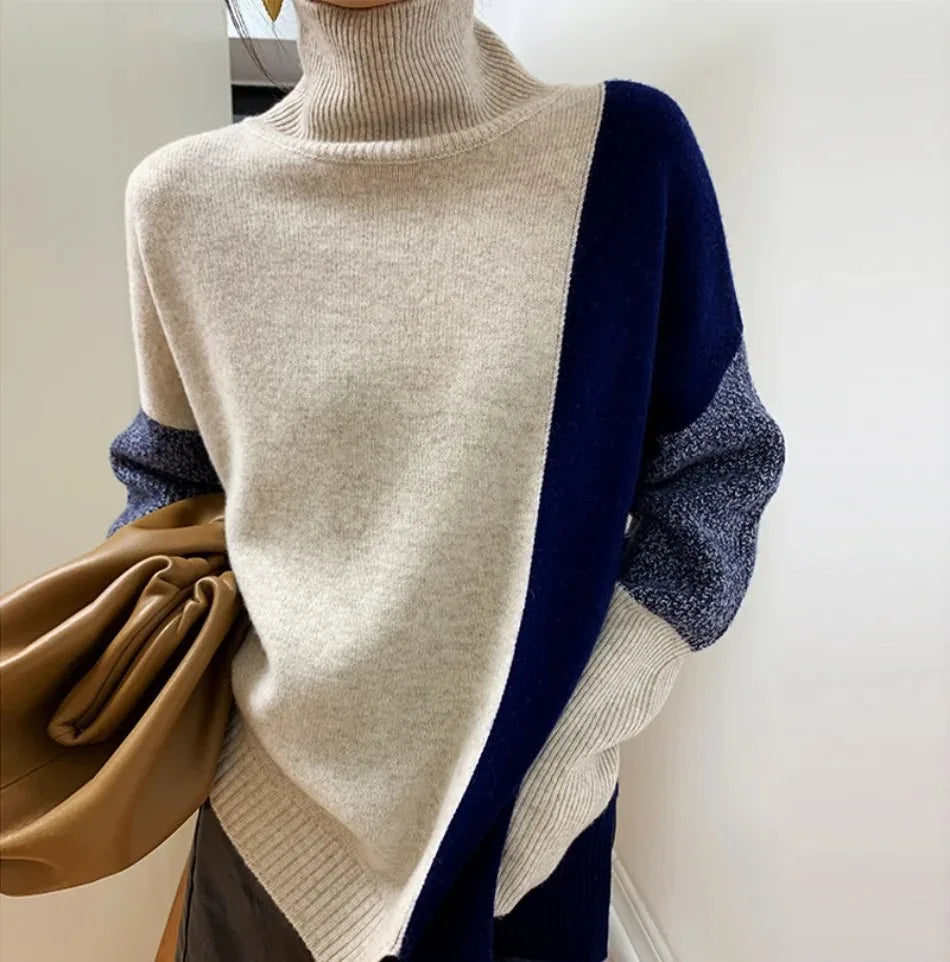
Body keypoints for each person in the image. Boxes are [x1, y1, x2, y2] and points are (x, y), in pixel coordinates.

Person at [105, 0, 786, 959]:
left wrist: (563, 759)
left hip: (525, 838)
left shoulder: (626, 160)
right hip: (266, 833)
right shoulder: (179, 201)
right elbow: (167, 488)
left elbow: (718, 476)